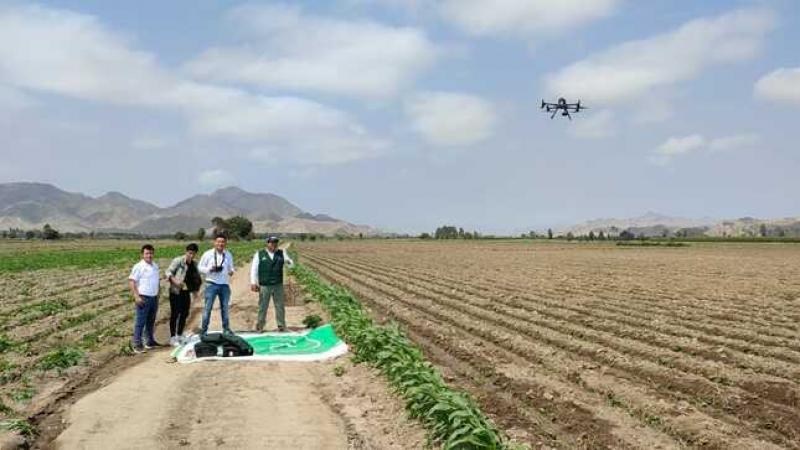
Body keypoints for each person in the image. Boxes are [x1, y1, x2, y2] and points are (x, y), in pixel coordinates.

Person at [250, 236, 294, 332]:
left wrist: (289, 262)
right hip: (265, 285)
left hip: (278, 284)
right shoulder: (260, 254)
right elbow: (254, 269)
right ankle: (260, 326)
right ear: (267, 243)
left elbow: (291, 265)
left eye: (275, 243)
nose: (273, 245)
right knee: (263, 306)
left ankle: (281, 325)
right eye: (271, 243)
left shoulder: (281, 253)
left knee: (280, 306)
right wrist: (253, 282)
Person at [165, 243, 202, 346]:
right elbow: (168, 272)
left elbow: (196, 279)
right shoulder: (178, 261)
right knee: (175, 313)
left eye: (193, 254)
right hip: (175, 291)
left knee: (184, 313)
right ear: (186, 252)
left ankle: (179, 335)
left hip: (186, 292)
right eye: (189, 253)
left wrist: (195, 292)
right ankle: (173, 337)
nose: (191, 255)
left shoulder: (194, 264)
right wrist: (175, 281)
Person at [128, 244, 162, 353]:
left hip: (154, 297)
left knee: (151, 321)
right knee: (140, 322)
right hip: (143, 297)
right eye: (147, 253)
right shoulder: (138, 266)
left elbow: (157, 281)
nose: (149, 255)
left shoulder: (155, 266)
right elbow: (132, 281)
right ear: (142, 254)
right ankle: (137, 344)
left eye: (151, 253)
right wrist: (136, 296)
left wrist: (158, 293)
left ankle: (149, 341)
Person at [198, 234, 235, 335]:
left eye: (223, 242)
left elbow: (232, 267)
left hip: (224, 285)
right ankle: (204, 329)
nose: (221, 244)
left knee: (225, 308)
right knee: (208, 308)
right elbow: (200, 267)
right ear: (214, 242)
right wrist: (209, 269)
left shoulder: (228, 254)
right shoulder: (207, 254)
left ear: (225, 243)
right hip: (211, 284)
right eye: (218, 241)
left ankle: (226, 329)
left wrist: (231, 271)